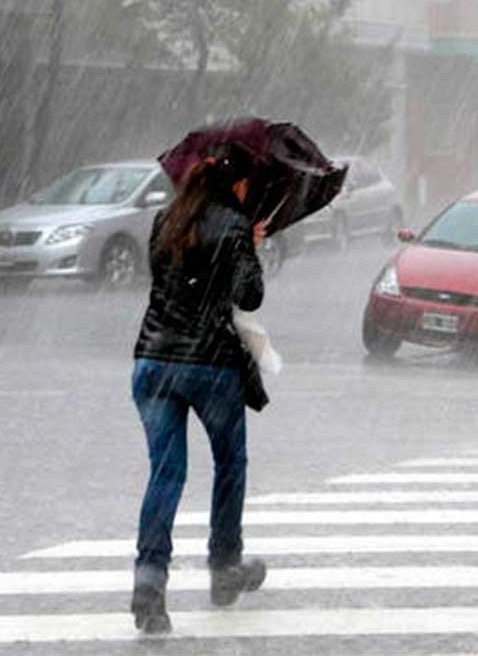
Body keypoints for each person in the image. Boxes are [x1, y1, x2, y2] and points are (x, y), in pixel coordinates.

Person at [130, 143, 268, 634]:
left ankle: (149, 583)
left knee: (165, 475)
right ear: (237, 184)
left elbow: (169, 284)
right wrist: (250, 243)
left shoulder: (165, 220)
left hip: (152, 362)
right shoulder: (233, 225)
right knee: (230, 463)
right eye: (248, 184)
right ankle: (224, 568)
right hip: (209, 366)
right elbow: (248, 294)